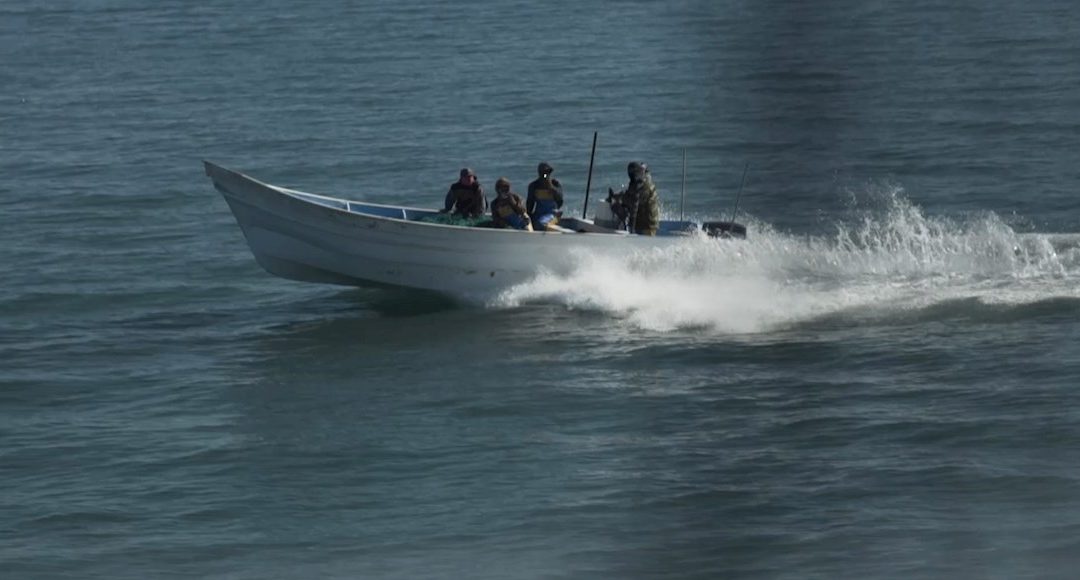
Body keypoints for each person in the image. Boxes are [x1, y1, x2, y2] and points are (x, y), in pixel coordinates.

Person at [613, 161, 660, 235]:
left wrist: (621, 199)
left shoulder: (646, 186)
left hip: (648, 224)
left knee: (645, 245)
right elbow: (631, 193)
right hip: (640, 221)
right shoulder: (638, 180)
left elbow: (635, 199)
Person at [526, 161, 564, 231]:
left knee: (541, 223)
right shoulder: (534, 186)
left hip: (551, 213)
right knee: (532, 225)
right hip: (539, 213)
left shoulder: (555, 184)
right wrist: (529, 216)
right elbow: (530, 203)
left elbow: (560, 201)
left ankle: (556, 218)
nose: (545, 175)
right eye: (543, 173)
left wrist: (551, 188)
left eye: (547, 173)